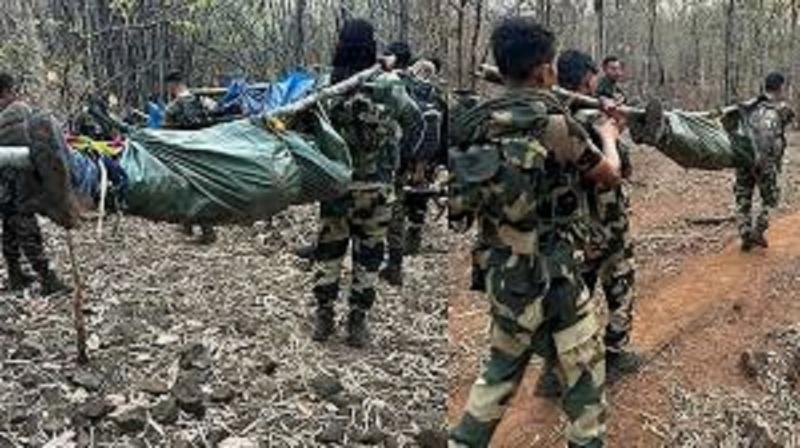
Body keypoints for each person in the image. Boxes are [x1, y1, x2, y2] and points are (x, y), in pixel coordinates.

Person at [448, 18, 623, 447]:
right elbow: (609, 175)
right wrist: (609, 134)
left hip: (501, 273)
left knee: (498, 373)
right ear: (545, 70)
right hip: (554, 274)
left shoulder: (476, 123)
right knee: (585, 371)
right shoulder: (554, 125)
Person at [311, 20, 423, 347]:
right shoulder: (388, 84)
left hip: (336, 186)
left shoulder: (326, 86)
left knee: (329, 251)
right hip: (377, 188)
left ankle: (324, 315)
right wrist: (397, 155)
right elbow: (416, 121)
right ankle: (357, 321)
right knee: (370, 253)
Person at [379, 44, 447, 286]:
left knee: (394, 205)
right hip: (425, 159)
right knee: (417, 199)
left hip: (398, 155)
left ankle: (389, 257)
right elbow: (444, 134)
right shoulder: (437, 96)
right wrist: (438, 163)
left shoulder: (398, 88)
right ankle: (412, 239)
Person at [0, 72, 70, 295]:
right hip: (20, 184)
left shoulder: (10, 116)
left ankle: (15, 274)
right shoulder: (18, 114)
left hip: (6, 185)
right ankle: (47, 279)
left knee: (10, 227)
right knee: (26, 228)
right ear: (9, 91)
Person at [733, 72, 795, 251]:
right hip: (764, 163)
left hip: (743, 160)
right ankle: (758, 231)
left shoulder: (748, 107)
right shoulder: (780, 109)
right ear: (780, 87)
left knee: (743, 198)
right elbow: (786, 121)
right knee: (771, 200)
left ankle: (745, 233)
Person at [162, 70, 218, 244]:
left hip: (183, 153)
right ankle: (187, 224)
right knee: (196, 188)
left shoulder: (172, 108)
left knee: (191, 190)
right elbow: (216, 116)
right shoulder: (202, 101)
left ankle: (207, 231)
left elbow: (167, 134)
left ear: (172, 85)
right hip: (204, 151)